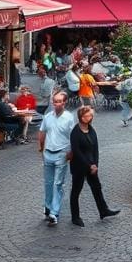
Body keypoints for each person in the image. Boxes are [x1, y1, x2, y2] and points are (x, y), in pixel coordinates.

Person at [68, 106, 121, 227]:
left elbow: (95, 148)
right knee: (76, 190)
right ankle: (75, 217)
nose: (89, 118)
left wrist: (95, 164)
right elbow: (76, 151)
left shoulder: (91, 130)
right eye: (86, 116)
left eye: (90, 115)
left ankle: (103, 210)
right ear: (81, 117)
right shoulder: (75, 132)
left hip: (92, 165)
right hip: (79, 166)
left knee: (97, 187)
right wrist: (89, 165)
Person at [38, 91, 75, 226]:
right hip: (48, 152)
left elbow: (72, 136)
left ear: (64, 103)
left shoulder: (69, 117)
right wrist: (41, 148)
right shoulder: (48, 117)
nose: (56, 104)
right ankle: (48, 207)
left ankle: (54, 212)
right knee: (48, 183)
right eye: (55, 101)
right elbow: (42, 132)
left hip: (62, 153)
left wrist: (70, 152)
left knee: (58, 184)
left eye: (59, 101)